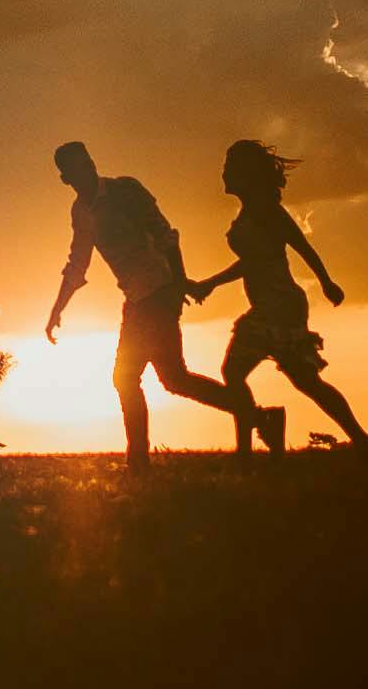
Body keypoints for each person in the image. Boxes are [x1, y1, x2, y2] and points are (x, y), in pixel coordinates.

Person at [44, 140, 248, 457]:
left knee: (132, 378)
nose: (88, 169)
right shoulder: (81, 213)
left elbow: (166, 235)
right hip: (137, 298)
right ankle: (256, 416)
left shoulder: (125, 190)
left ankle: (138, 461)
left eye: (89, 161)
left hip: (159, 291)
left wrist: (179, 283)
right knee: (171, 379)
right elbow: (77, 263)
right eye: (78, 167)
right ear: (66, 178)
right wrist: (57, 311)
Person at [184, 137, 368, 450]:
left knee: (235, 371)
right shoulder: (251, 212)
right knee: (306, 382)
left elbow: (299, 245)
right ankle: (363, 442)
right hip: (275, 304)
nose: (223, 175)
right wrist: (209, 284)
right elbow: (254, 260)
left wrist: (326, 281)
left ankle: (246, 452)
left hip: (280, 303)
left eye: (228, 168)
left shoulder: (266, 210)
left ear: (244, 173)